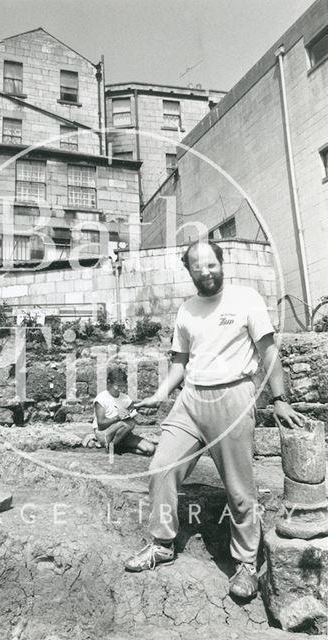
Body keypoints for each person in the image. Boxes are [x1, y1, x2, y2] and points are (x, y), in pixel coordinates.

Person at [124, 240, 303, 599]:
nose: (205, 271)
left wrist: (280, 399)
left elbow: (268, 351)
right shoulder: (187, 310)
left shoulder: (246, 298)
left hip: (233, 397)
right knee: (161, 466)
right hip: (191, 399)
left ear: (222, 263)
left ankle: (245, 564)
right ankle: (162, 544)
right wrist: (161, 394)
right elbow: (180, 361)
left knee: (239, 489)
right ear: (188, 271)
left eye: (211, 264)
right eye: (197, 266)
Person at [93, 366, 155, 456]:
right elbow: (101, 424)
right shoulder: (101, 398)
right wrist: (118, 417)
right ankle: (111, 446)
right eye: (116, 385)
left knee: (150, 449)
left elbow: (133, 412)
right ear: (109, 382)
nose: (118, 388)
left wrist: (142, 411)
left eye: (121, 385)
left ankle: (119, 448)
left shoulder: (125, 398)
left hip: (122, 433)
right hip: (105, 434)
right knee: (128, 423)